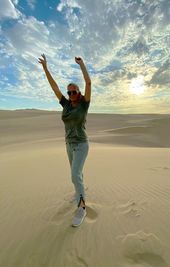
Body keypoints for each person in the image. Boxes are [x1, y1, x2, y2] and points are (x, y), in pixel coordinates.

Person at [38, 54, 91, 227]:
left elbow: (89, 83)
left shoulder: (84, 104)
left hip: (81, 144)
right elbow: (54, 87)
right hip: (68, 144)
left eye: (74, 92)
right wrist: (45, 68)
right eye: (69, 92)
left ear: (79, 93)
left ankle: (82, 207)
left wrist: (81, 64)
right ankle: (79, 192)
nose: (71, 94)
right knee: (77, 174)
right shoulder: (66, 105)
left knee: (75, 175)